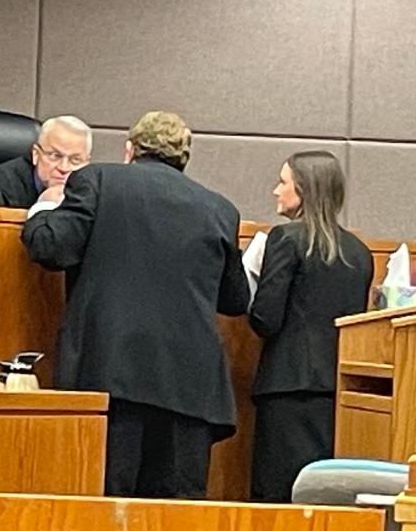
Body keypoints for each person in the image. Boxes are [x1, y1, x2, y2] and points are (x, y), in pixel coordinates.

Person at [21, 111, 250, 499]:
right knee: (176, 517)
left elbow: (50, 247)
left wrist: (44, 209)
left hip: (111, 375)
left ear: (130, 150)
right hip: (190, 390)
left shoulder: (97, 180)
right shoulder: (220, 209)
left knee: (106, 505)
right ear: (184, 159)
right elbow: (235, 299)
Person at [248, 151, 373, 502]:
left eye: (283, 182)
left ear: (304, 189)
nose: (276, 190)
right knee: (322, 501)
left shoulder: (285, 239)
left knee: (277, 501)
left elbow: (266, 319)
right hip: (338, 395)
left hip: (286, 389)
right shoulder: (360, 252)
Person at [0, 115, 92, 208]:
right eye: (55, 156)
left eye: (75, 160)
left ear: (87, 162)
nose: (64, 168)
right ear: (36, 154)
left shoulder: (93, 193)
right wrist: (44, 207)